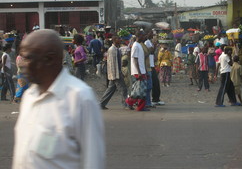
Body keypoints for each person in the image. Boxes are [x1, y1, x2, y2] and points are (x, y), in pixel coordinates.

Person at [13, 29, 105, 169]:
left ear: (49, 59)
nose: (22, 64)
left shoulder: (80, 98)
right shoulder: (29, 97)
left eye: (28, 58)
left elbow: (93, 161)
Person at [99, 36, 130, 110]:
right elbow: (112, 64)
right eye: (118, 38)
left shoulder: (116, 49)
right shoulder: (112, 49)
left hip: (116, 73)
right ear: (114, 40)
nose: (120, 40)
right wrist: (117, 73)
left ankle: (101, 104)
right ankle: (126, 104)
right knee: (123, 89)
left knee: (110, 90)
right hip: (115, 73)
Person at [126, 31, 148, 111]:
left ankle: (140, 106)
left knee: (141, 90)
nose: (144, 37)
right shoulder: (135, 46)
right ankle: (130, 103)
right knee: (138, 91)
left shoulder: (139, 45)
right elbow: (135, 59)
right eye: (143, 36)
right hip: (137, 71)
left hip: (141, 70)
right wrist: (138, 72)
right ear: (139, 36)